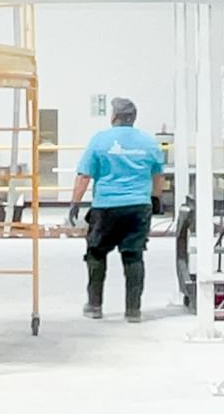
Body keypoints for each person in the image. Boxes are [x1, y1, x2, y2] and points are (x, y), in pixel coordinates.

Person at [67, 97, 168, 322]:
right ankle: (133, 310)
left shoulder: (100, 141)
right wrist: (155, 199)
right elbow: (158, 175)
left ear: (113, 116)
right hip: (138, 207)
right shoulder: (149, 142)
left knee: (96, 254)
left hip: (106, 208)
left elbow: (85, 175)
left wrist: (75, 203)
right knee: (133, 256)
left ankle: (94, 305)